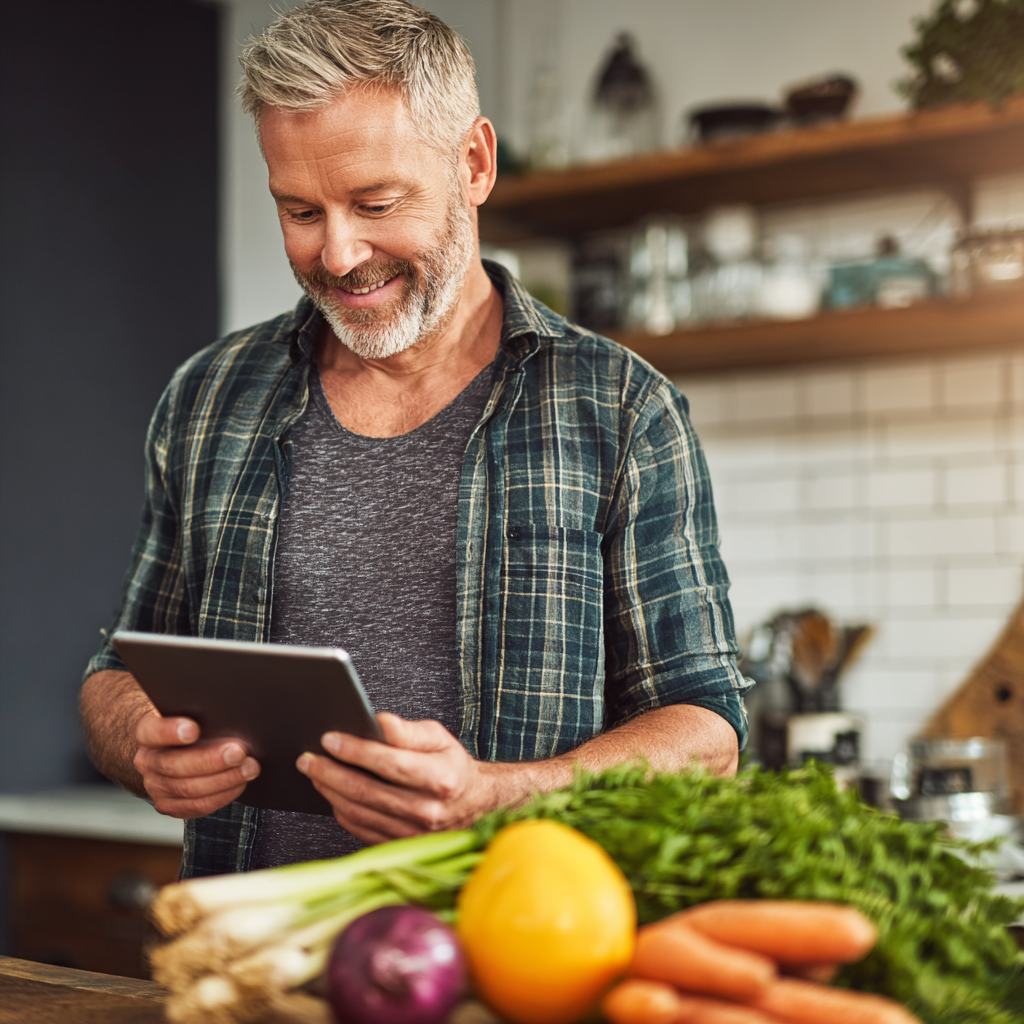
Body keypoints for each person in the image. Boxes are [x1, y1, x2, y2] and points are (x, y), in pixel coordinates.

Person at [80, 0, 750, 879]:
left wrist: (495, 793)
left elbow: (706, 730)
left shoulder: (622, 410)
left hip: (520, 968)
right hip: (256, 974)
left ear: (473, 163)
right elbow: (116, 669)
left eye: (374, 202)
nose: (341, 254)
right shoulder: (207, 398)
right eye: (300, 211)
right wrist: (141, 741)